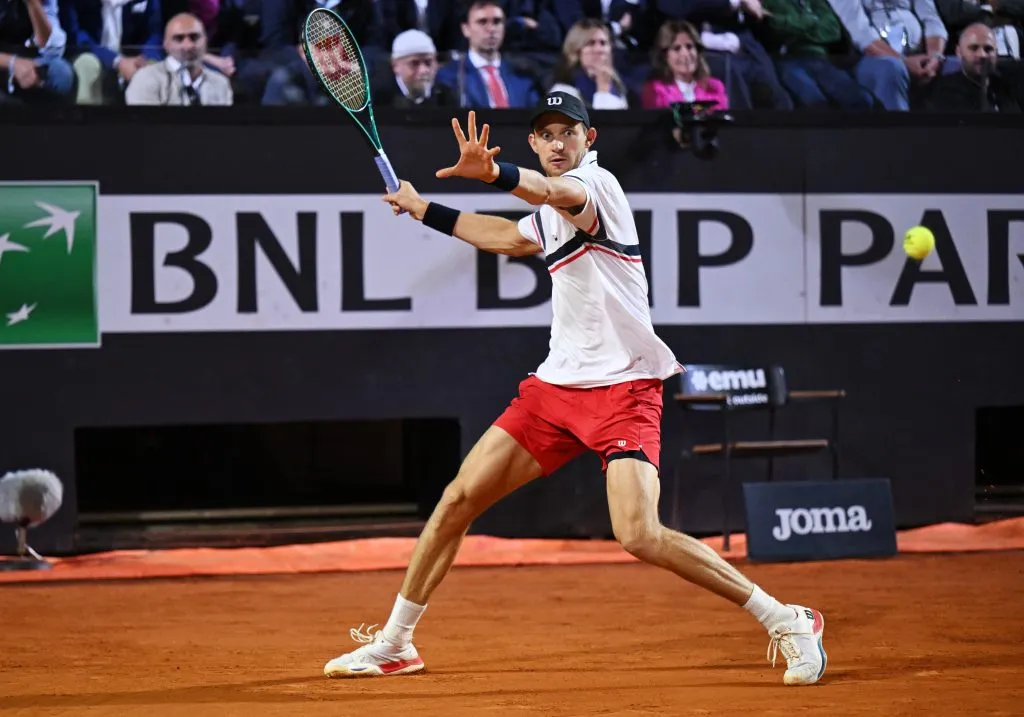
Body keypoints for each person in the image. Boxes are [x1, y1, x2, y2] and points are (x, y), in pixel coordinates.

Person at [322, 92, 828, 687]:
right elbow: (510, 238)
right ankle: (395, 642)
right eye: (546, 134)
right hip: (556, 388)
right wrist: (422, 207)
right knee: (458, 500)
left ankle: (787, 619)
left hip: (625, 390)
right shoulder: (550, 211)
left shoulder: (597, 188)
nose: (558, 143)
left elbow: (550, 192)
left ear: (591, 140)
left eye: (569, 132)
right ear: (534, 141)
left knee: (639, 534)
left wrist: (497, 174)